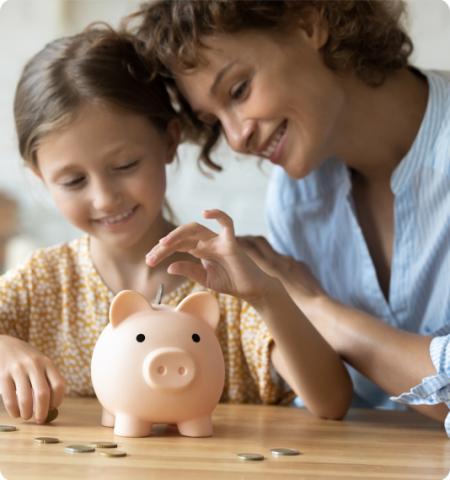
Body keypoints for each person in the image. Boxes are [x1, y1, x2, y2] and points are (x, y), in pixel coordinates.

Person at [0, 24, 351, 425]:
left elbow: (332, 402)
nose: (104, 198)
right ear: (40, 176)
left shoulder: (231, 282)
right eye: (73, 181)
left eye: (125, 165)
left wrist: (268, 296)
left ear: (169, 140)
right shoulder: (41, 285)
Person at [129, 0, 450, 433]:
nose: (238, 138)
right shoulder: (296, 194)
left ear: (309, 22)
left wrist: (314, 307)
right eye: (214, 119)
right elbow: (323, 399)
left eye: (239, 90)